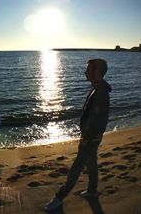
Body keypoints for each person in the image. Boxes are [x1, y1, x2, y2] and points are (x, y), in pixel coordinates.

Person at [45, 58, 111, 212]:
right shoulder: (98, 88)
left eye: (88, 69)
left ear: (97, 72)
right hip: (92, 138)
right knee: (92, 163)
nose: (85, 72)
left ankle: (58, 199)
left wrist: (87, 138)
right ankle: (92, 191)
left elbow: (98, 119)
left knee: (75, 169)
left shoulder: (100, 92)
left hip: (90, 139)